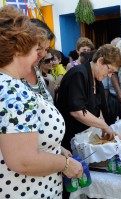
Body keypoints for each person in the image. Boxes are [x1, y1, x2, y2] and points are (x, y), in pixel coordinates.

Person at [0, 5, 83, 198]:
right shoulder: (13, 90)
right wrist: (66, 164)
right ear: (20, 48)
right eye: (36, 49)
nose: (42, 55)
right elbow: (24, 161)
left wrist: (54, 149)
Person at [56, 44, 121, 151]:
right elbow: (77, 111)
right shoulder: (78, 74)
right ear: (100, 61)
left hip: (83, 140)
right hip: (69, 140)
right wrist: (103, 125)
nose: (109, 75)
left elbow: (98, 109)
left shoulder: (96, 79)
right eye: (110, 71)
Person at [22, 18, 55, 104]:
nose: (43, 54)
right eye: (38, 48)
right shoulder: (12, 76)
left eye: (47, 49)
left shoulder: (36, 68)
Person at [102, 37, 121, 123]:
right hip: (113, 98)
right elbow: (105, 88)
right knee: (113, 122)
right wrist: (105, 105)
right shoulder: (108, 63)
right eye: (113, 47)